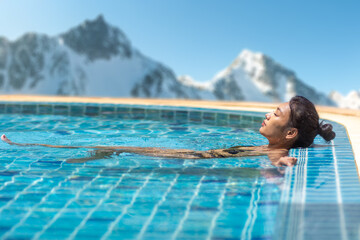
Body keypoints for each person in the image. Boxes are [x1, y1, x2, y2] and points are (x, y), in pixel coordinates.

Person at [1, 96, 335, 167]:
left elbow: (281, 162)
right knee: (112, 148)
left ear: (289, 134)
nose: (267, 114)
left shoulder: (278, 151)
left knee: (112, 147)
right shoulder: (275, 146)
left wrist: (283, 166)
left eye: (276, 113)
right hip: (194, 156)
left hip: (190, 158)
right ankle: (33, 143)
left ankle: (23, 142)